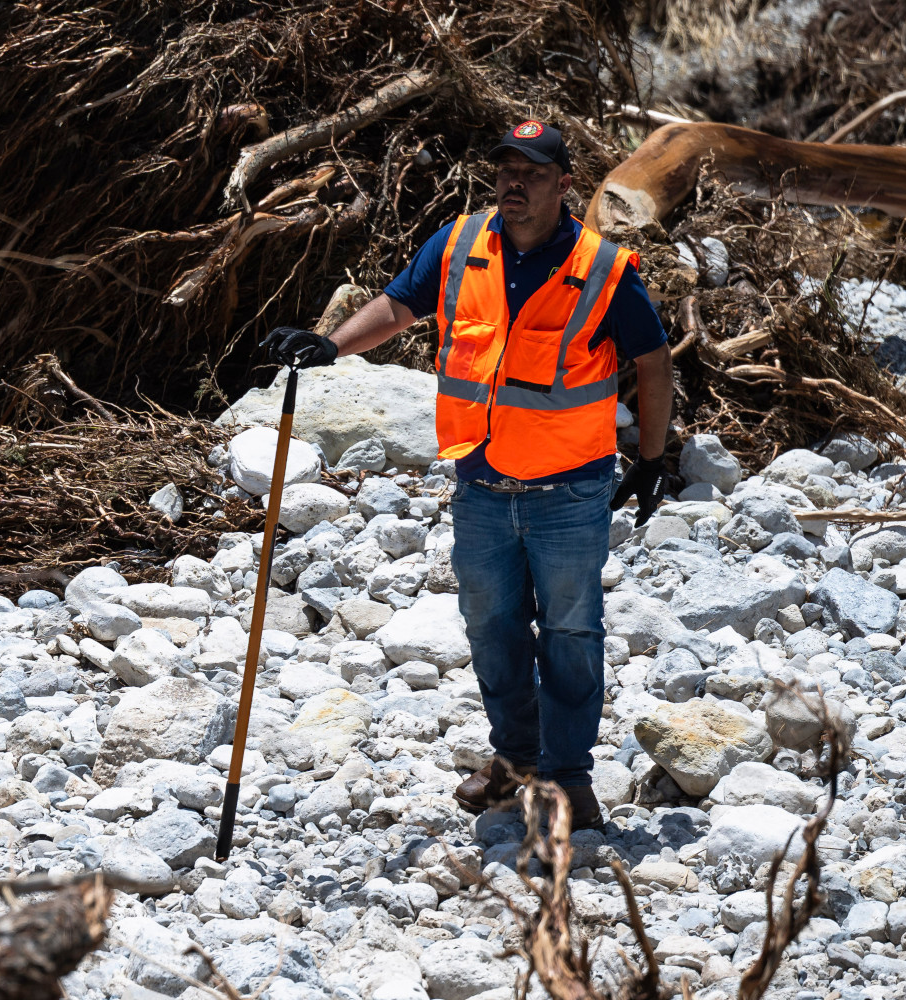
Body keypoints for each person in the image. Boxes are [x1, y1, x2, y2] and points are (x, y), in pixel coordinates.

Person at [263, 120, 672, 833]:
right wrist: (330, 345)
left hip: (570, 491)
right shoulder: (458, 246)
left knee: (571, 632)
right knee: (491, 628)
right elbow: (399, 305)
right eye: (506, 171)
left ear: (564, 185)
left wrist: (653, 456)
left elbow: (653, 359)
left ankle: (569, 780)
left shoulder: (603, 269)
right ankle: (515, 760)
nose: (516, 184)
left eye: (533, 173)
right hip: (481, 485)